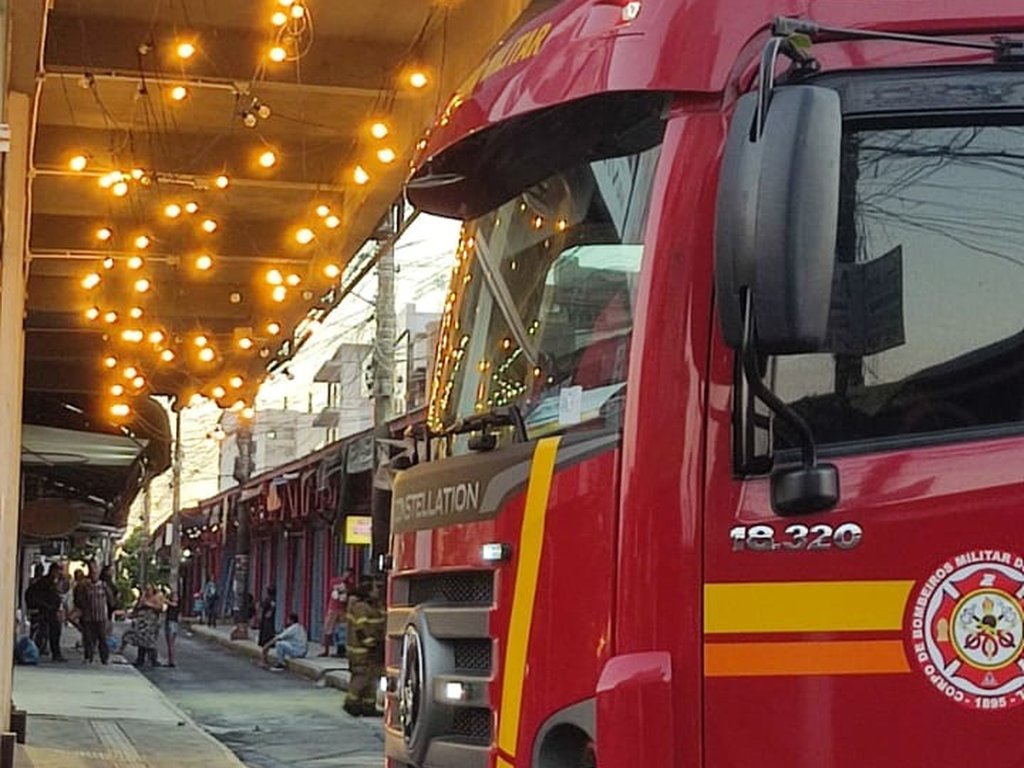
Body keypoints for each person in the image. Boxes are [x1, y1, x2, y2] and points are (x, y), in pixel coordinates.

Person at [343, 580, 385, 717]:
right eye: (375, 588)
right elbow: (360, 629)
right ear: (368, 591)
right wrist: (370, 643)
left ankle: (368, 705)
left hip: (371, 650)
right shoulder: (361, 607)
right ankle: (351, 704)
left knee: (372, 679)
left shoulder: (373, 606)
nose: (377, 591)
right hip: (362, 651)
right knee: (361, 678)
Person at [82, 563, 114, 664]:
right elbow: (82, 599)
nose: (94, 575)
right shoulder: (86, 586)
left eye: (95, 573)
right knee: (88, 638)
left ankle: (104, 658)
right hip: (89, 616)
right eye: (92, 573)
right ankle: (88, 657)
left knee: (102, 638)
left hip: (101, 616)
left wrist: (109, 614)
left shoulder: (103, 585)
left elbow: (111, 599)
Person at [319, 569, 353, 657]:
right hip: (333, 608)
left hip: (342, 609)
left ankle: (341, 650)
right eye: (347, 574)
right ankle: (326, 650)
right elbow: (335, 592)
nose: (348, 576)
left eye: (350, 575)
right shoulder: (335, 581)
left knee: (342, 630)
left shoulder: (350, 585)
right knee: (328, 629)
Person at [39, 564, 66, 662]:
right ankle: (53, 652)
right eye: (58, 571)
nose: (59, 573)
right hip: (48, 609)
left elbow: (61, 591)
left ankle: (56, 653)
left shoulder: (55, 581)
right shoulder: (46, 582)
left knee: (56, 632)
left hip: (54, 609)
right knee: (51, 631)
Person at [133, 585, 164, 668]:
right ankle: (140, 659)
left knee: (150, 642)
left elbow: (160, 608)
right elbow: (138, 606)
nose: (147, 591)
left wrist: (149, 605)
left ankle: (153, 659)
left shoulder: (156, 597)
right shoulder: (143, 598)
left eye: (149, 590)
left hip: (151, 623)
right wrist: (142, 596)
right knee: (141, 641)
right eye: (146, 590)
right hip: (142, 623)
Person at [23, 564, 49, 656]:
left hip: (34, 608)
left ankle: (35, 644)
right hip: (39, 608)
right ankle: (39, 646)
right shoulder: (40, 583)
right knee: (41, 628)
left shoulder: (32, 581)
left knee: (35, 628)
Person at [164, 590, 179, 667]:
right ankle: (170, 660)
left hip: (172, 624)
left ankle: (171, 661)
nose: (176, 598)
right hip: (171, 623)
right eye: (174, 596)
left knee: (171, 644)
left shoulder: (175, 604)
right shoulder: (171, 605)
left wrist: (164, 598)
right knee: (170, 644)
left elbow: (169, 603)